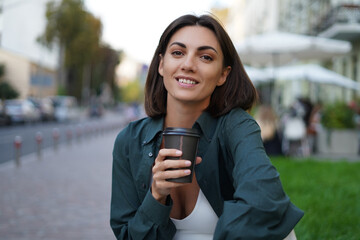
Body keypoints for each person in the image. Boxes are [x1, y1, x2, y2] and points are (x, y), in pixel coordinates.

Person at [110, 14, 303, 240]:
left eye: (205, 57)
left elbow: (265, 200)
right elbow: (127, 236)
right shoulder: (130, 141)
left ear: (223, 74)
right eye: (178, 53)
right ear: (162, 64)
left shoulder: (237, 125)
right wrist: (156, 196)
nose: (188, 65)